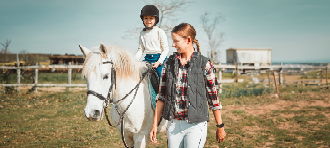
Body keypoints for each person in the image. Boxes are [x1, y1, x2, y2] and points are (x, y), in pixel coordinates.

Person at [149, 23, 226, 148]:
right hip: (173, 125)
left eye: (176, 41)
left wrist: (220, 126)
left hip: (196, 126)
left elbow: (214, 99)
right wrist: (154, 126)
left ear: (188, 40)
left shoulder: (205, 64)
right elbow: (161, 97)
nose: (173, 45)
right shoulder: (169, 63)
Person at [135, 5, 169, 78]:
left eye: (151, 18)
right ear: (143, 19)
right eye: (146, 18)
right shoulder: (142, 33)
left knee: (161, 77)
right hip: (147, 59)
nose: (148, 20)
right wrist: (134, 60)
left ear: (156, 19)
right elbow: (141, 49)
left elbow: (165, 49)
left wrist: (159, 62)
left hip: (159, 59)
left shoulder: (160, 32)